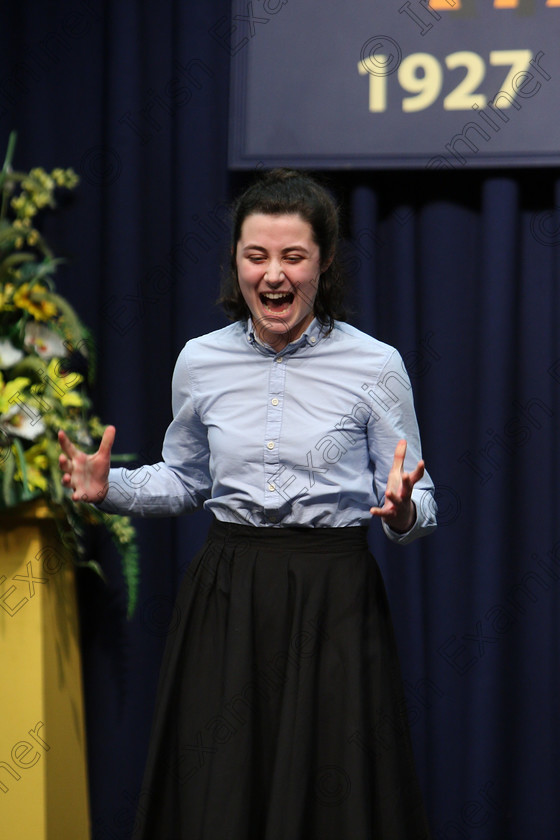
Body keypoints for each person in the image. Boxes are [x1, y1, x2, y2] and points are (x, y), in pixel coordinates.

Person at [59, 169, 437, 839]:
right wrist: (107, 487)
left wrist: (404, 510)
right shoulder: (200, 361)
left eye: (293, 256)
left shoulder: (375, 365)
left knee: (334, 789)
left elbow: (420, 502)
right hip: (229, 593)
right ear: (236, 262)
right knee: (224, 786)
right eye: (256, 255)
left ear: (323, 263)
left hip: (334, 597)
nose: (273, 274)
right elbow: (186, 481)